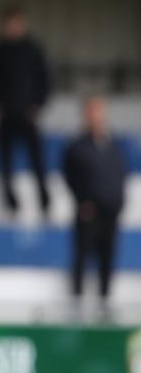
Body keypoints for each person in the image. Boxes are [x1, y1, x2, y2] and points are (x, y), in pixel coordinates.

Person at [0, 5, 51, 215]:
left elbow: (44, 80)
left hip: (28, 115)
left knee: (37, 159)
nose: (13, 27)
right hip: (6, 115)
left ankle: (43, 197)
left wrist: (37, 105)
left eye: (16, 23)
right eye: (9, 24)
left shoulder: (33, 50)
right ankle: (10, 199)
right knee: (5, 161)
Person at [62, 96, 128, 318]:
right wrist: (83, 201)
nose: (97, 117)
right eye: (93, 112)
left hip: (111, 213)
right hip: (89, 214)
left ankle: (105, 309)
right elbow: (69, 177)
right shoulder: (77, 147)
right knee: (82, 260)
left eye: (100, 112)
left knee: (107, 262)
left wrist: (120, 202)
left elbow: (120, 174)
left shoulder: (112, 145)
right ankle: (76, 308)